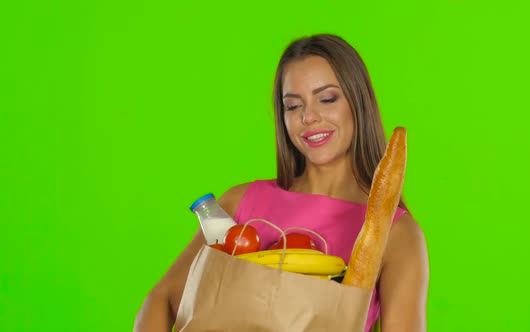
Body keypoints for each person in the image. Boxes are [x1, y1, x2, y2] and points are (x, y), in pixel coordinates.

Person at [133, 34, 429, 332]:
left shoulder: (396, 233)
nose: (309, 117)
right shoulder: (239, 203)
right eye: (292, 106)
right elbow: (162, 298)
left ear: (358, 102)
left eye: (326, 99)